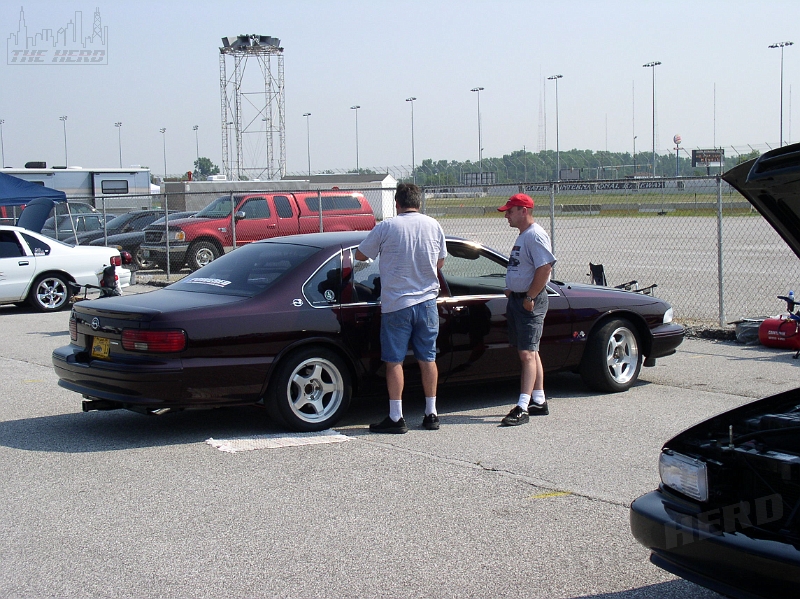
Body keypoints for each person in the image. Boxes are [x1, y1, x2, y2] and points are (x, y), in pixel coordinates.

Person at [355, 183, 447, 433]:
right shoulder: (433, 225)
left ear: (397, 203)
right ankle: (431, 413)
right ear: (419, 202)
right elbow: (439, 262)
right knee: (428, 358)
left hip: (397, 304)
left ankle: (396, 417)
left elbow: (361, 256)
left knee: (394, 360)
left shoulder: (387, 226)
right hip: (428, 303)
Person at [497, 193, 557, 426]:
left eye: (510, 211)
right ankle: (539, 400)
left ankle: (523, 406)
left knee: (527, 354)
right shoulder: (524, 235)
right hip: (519, 298)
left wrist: (530, 296)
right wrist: (514, 289)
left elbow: (545, 268)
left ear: (523, 210)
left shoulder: (535, 235)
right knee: (531, 351)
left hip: (530, 301)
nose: (507, 216)